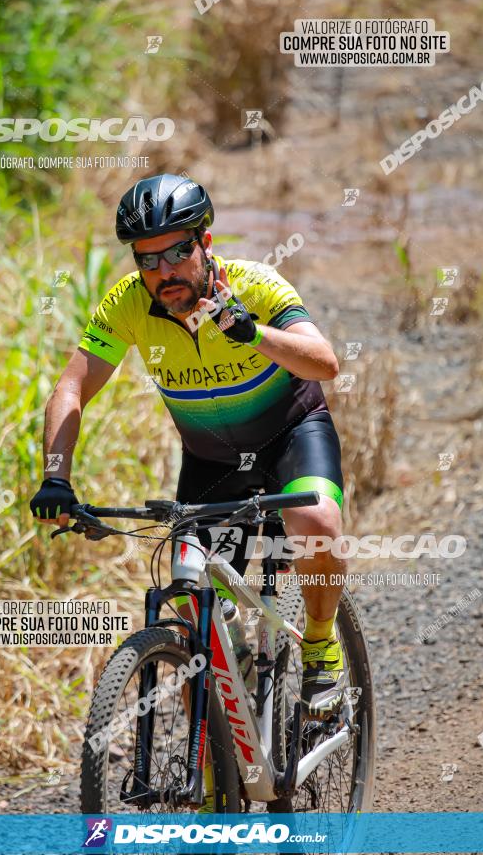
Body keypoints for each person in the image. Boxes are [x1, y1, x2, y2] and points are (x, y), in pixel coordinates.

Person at [30, 173, 347, 718]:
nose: (163, 272)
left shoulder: (257, 285)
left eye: (177, 253)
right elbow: (71, 387)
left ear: (205, 242)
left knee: (316, 525)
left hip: (291, 437)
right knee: (186, 592)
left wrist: (252, 334)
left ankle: (321, 643)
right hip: (213, 460)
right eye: (146, 260)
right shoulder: (127, 305)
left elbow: (325, 363)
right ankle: (232, 694)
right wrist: (56, 475)